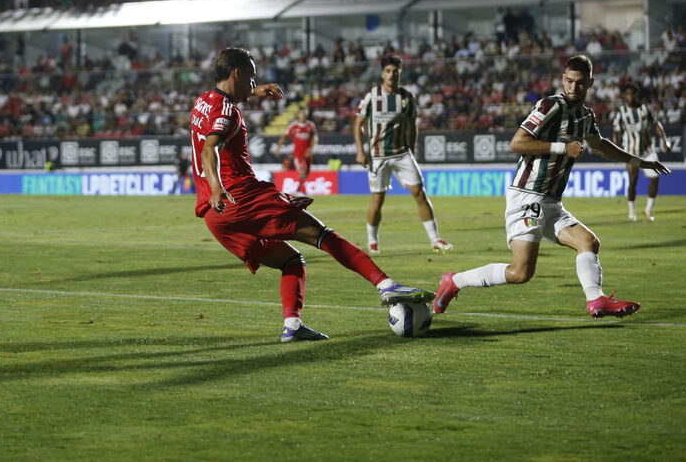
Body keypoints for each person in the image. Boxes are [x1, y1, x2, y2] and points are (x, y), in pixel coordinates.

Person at [191, 47, 434, 343]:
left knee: (292, 261)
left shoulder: (202, 101)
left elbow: (217, 115)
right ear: (237, 73)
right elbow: (210, 149)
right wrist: (218, 187)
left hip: (215, 217)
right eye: (251, 78)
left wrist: (253, 91)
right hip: (240, 199)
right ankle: (385, 285)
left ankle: (293, 326)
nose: (254, 83)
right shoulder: (228, 112)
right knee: (324, 235)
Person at [432, 55, 670, 320]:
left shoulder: (586, 115)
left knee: (589, 242)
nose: (573, 87)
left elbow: (600, 145)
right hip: (527, 197)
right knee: (520, 272)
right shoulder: (550, 106)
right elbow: (517, 143)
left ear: (590, 83)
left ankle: (596, 300)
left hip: (552, 201)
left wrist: (639, 161)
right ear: (562, 79)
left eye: (580, 82)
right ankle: (454, 281)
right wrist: (562, 148)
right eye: (569, 81)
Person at [353, 55, 453, 255]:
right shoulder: (373, 96)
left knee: (419, 193)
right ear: (382, 74)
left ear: (400, 73)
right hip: (378, 156)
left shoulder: (407, 98)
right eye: (388, 71)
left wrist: (412, 149)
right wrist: (360, 151)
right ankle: (372, 242)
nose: (392, 74)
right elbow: (358, 124)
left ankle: (435, 239)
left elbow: (412, 125)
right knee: (377, 199)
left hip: (402, 154)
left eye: (395, 71)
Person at [612, 83, 671, 221]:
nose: (631, 96)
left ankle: (648, 210)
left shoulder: (644, 109)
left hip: (648, 150)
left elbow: (656, 124)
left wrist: (664, 140)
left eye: (633, 94)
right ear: (624, 96)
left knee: (655, 178)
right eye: (628, 94)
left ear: (636, 95)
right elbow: (616, 131)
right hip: (630, 152)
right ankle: (632, 212)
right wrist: (616, 145)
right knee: (633, 181)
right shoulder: (621, 112)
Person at [273, 107, 318, 195]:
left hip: (308, 154)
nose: (303, 115)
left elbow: (314, 138)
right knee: (303, 170)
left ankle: (298, 190)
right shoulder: (293, 126)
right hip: (298, 154)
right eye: (302, 113)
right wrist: (278, 147)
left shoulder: (311, 125)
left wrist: (310, 149)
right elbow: (284, 136)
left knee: (306, 173)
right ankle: (302, 192)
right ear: (298, 114)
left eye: (305, 112)